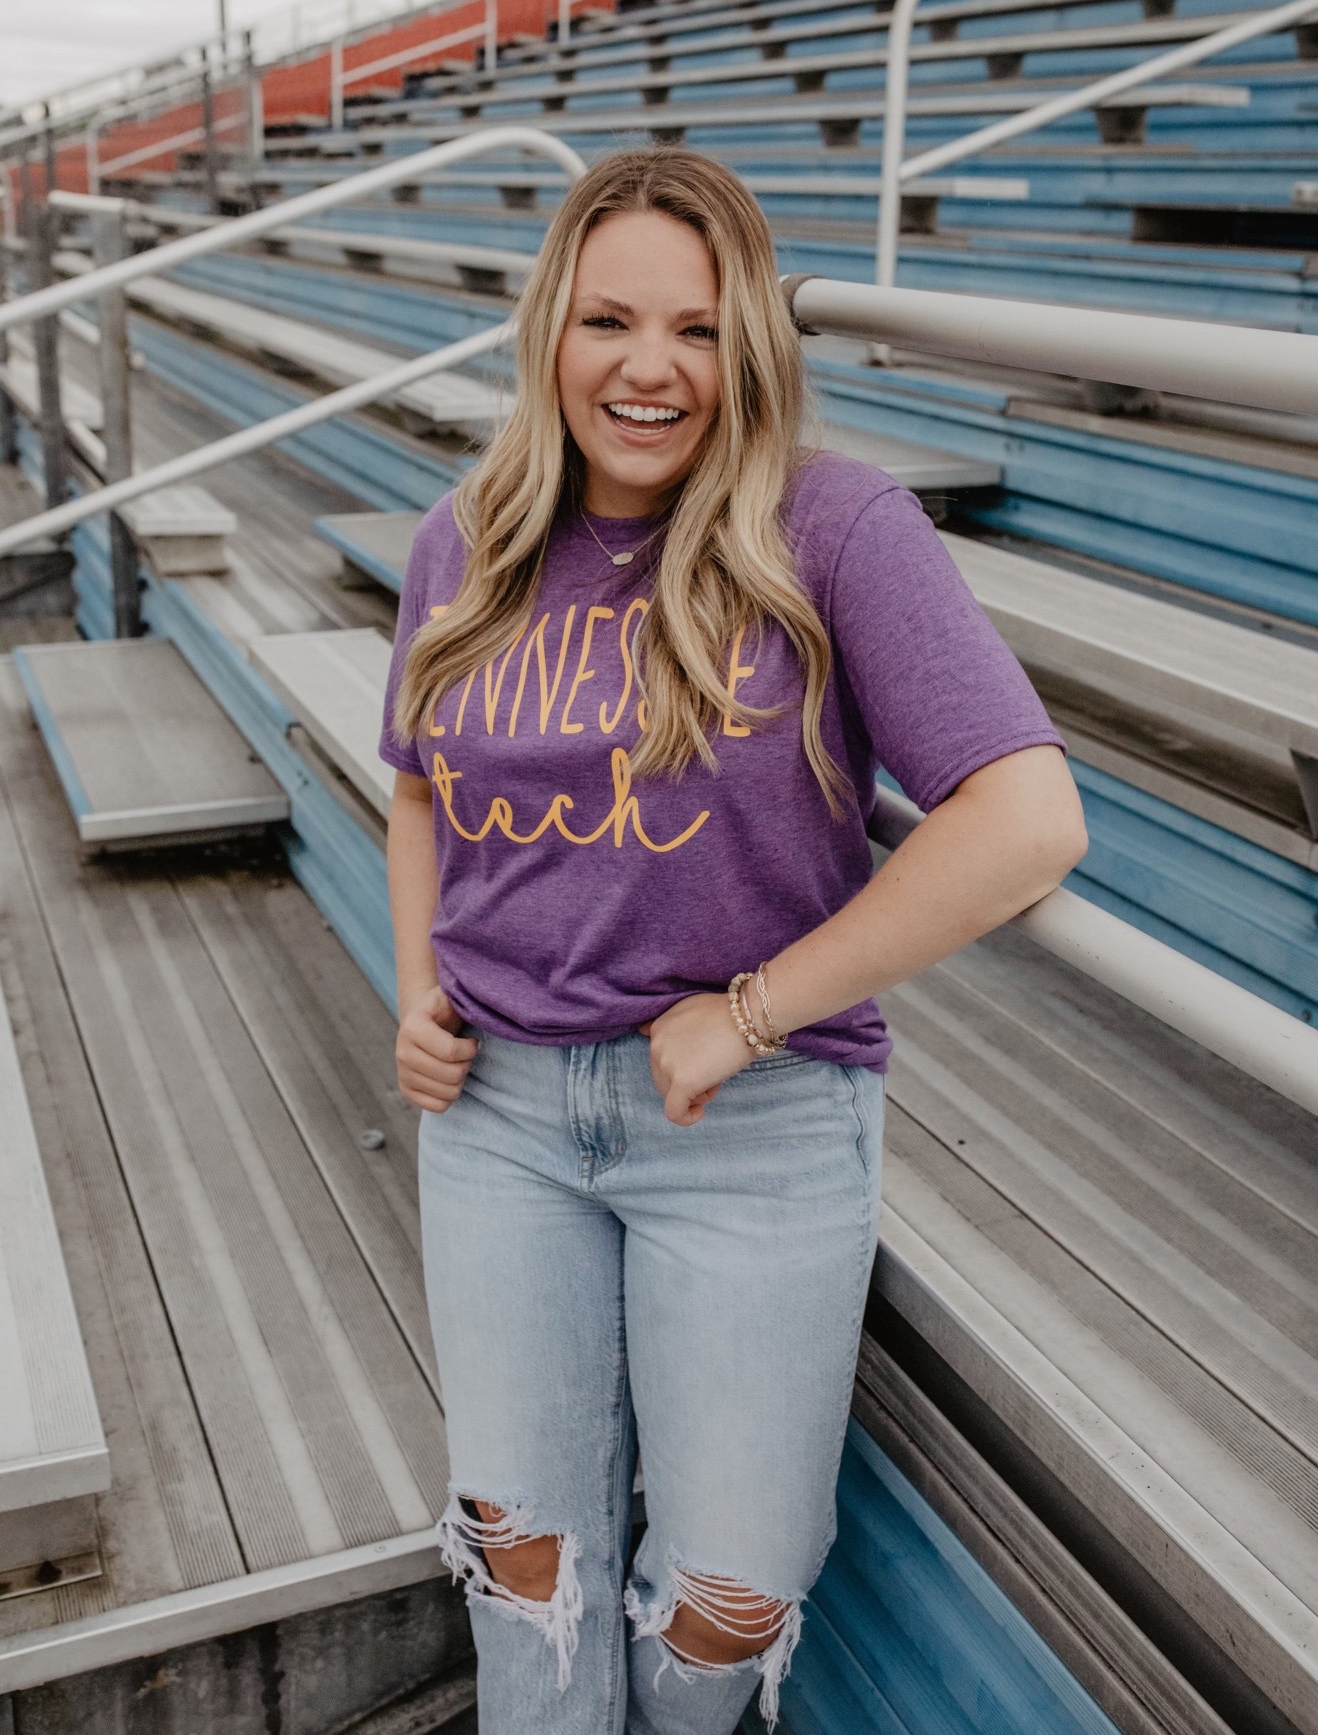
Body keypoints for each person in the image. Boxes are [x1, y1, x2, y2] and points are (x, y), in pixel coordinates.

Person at [379, 147, 1086, 1735]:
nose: (648, 368)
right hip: (495, 1121)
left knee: (725, 1602)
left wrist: (750, 1012)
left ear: (749, 346)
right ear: (548, 325)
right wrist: (416, 983)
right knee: (523, 1568)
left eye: (696, 329)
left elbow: (1026, 820)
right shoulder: (469, 531)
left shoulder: (831, 529)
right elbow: (418, 788)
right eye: (609, 318)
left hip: (750, 1128)